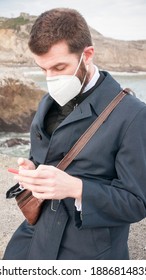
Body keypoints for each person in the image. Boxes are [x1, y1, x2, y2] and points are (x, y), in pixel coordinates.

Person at [3, 8, 146, 260]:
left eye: (59, 66)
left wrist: (77, 188)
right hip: (33, 237)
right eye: (43, 68)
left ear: (87, 55)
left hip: (89, 252)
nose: (50, 78)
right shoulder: (46, 102)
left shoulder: (134, 115)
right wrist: (31, 171)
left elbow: (136, 202)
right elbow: (43, 158)